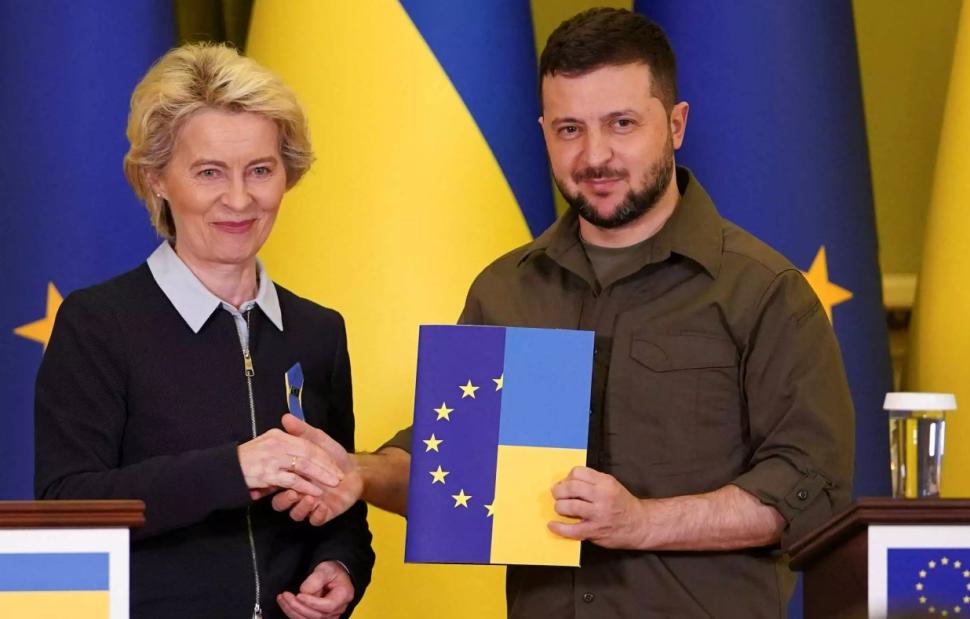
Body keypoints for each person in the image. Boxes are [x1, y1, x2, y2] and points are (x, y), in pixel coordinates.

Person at [274, 8, 854, 618]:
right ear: (544, 131)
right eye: (569, 129)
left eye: (621, 124)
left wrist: (641, 521)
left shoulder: (763, 291)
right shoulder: (506, 290)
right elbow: (452, 465)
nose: (595, 155)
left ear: (676, 124)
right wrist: (358, 472)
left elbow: (809, 487)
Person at [34, 43, 373, 619]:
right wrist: (231, 470)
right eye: (209, 172)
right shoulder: (97, 324)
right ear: (156, 180)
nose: (239, 199)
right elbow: (67, 508)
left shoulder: (318, 331)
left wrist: (340, 565)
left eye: (260, 170)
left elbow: (341, 499)